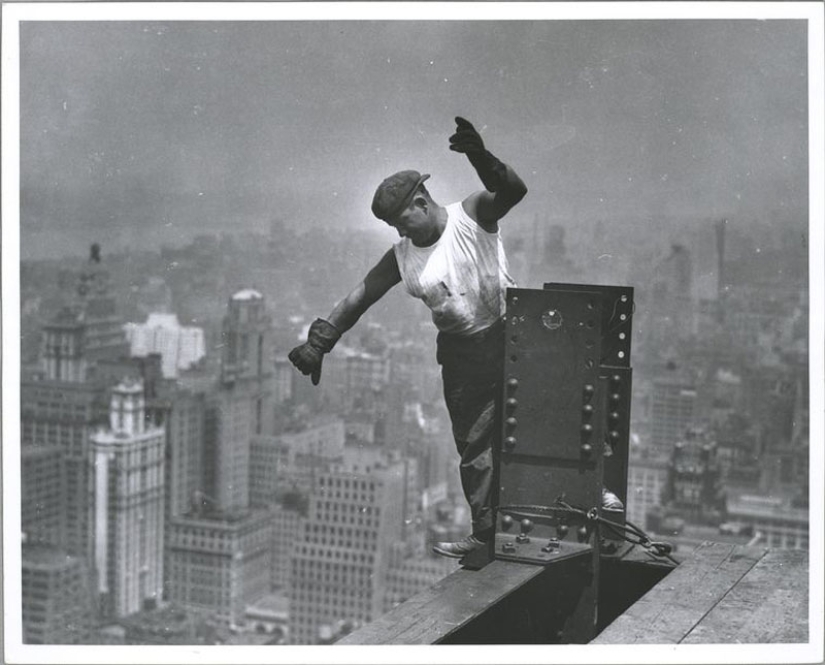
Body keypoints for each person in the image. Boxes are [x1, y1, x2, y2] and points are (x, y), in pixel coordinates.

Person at [289, 116, 527, 558]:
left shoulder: (471, 215)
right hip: (462, 353)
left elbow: (513, 192)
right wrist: (320, 341)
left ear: (422, 200)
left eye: (403, 221)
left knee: (530, 428)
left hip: (511, 337)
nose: (401, 232)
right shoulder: (402, 256)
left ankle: (580, 504)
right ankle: (486, 533)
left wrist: (480, 156)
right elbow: (362, 295)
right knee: (474, 445)